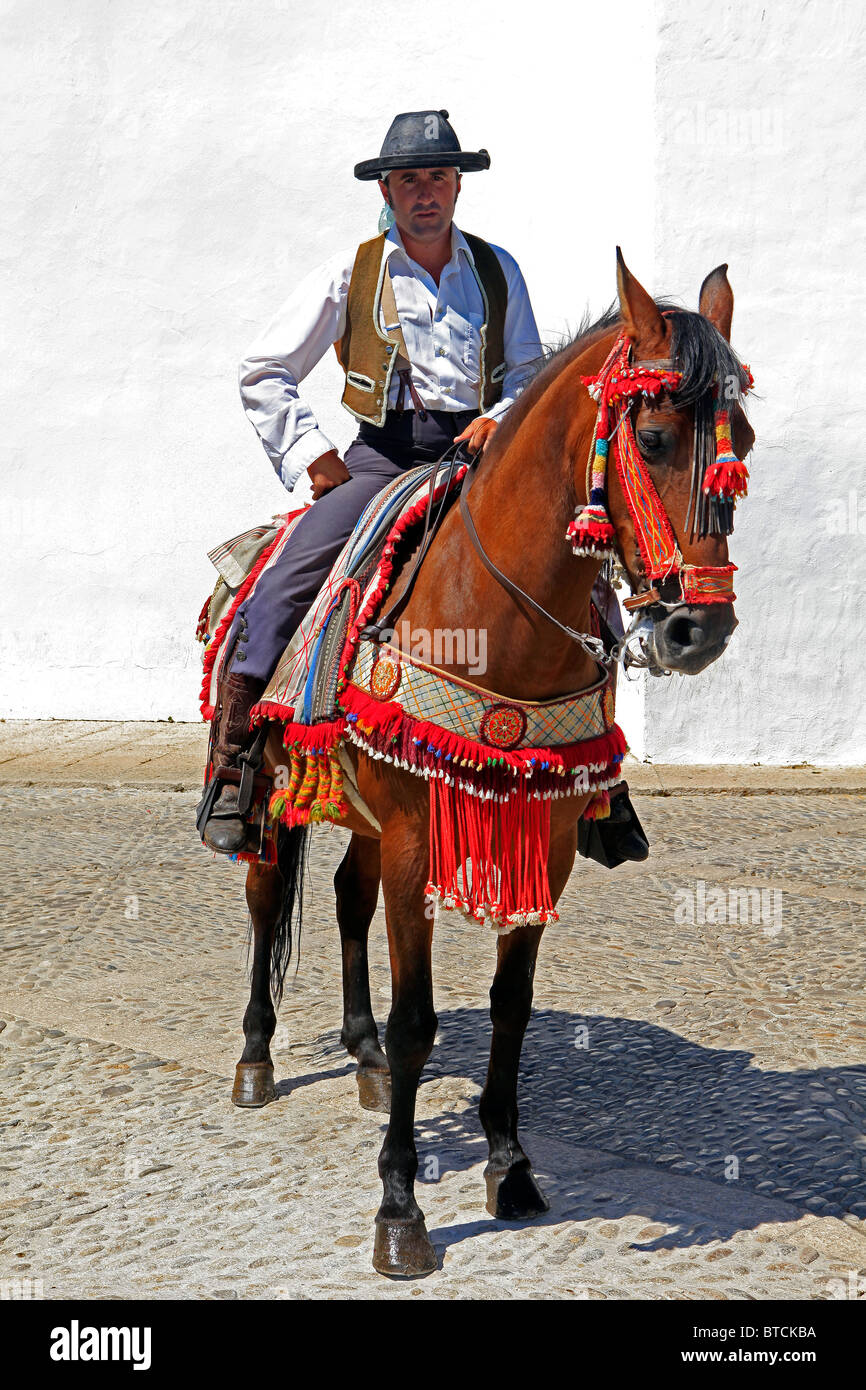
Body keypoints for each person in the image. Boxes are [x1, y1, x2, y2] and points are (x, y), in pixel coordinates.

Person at [201, 108, 649, 869]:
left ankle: (599, 785)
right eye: (409, 179)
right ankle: (239, 768)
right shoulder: (352, 272)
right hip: (382, 460)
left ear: (456, 185)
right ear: (387, 188)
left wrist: (500, 419)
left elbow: (527, 374)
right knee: (287, 579)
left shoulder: (498, 268)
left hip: (483, 458)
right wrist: (313, 456)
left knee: (588, 587)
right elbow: (262, 369)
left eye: (437, 177)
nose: (425, 192)